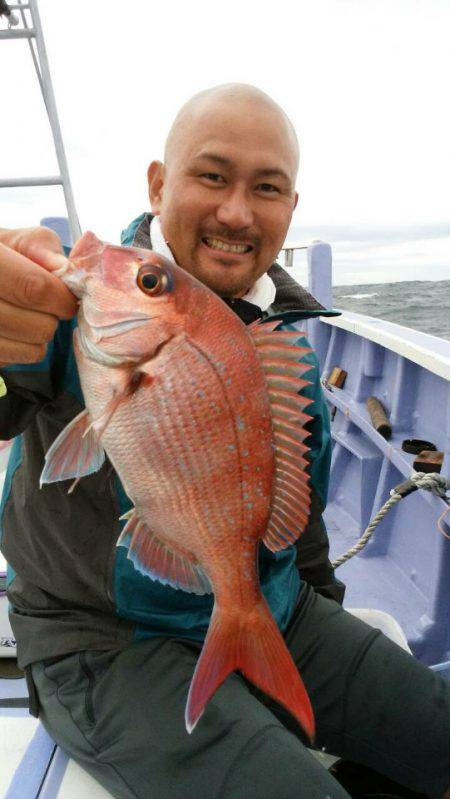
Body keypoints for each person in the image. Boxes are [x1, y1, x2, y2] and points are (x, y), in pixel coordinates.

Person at [0, 84, 448, 799]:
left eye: (266, 188)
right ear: (157, 184)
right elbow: (11, 386)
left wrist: (331, 661)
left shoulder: (289, 354)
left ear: (289, 208)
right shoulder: (79, 311)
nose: (236, 212)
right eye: (211, 175)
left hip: (272, 604)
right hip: (101, 646)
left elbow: (298, 544)